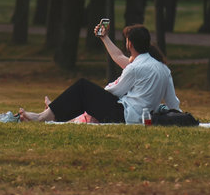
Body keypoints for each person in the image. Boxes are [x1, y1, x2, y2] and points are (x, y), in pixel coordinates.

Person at [19, 23, 181, 124]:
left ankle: (42, 117)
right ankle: (54, 110)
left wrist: (92, 97)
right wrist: (104, 38)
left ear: (129, 44)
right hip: (142, 117)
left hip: (126, 116)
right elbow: (172, 103)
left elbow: (113, 92)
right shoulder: (163, 68)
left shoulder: (135, 68)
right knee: (83, 95)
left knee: (83, 88)